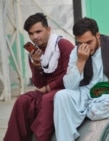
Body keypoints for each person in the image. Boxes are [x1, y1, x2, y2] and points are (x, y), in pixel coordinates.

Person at [4, 13, 74, 141]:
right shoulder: (34, 53)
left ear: (48, 29)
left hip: (65, 89)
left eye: (38, 31)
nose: (35, 37)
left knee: (47, 99)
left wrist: (49, 87)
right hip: (47, 90)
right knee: (22, 100)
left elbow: (70, 74)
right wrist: (37, 65)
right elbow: (39, 84)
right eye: (31, 34)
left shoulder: (63, 45)